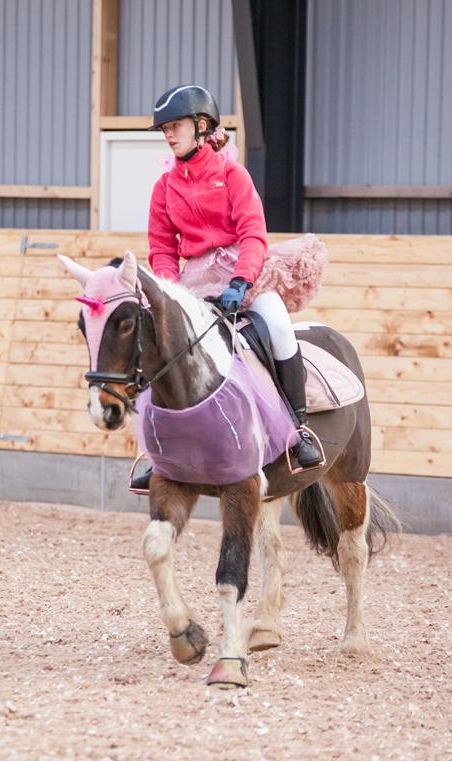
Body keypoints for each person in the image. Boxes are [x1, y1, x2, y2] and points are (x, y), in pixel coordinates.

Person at [131, 84, 326, 491]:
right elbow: (162, 248)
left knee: (276, 324)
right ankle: (154, 451)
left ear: (202, 126)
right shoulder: (164, 188)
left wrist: (242, 280)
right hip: (193, 282)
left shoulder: (232, 175)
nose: (169, 134)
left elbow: (254, 233)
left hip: (242, 270)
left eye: (176, 125)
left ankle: (299, 428)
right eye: (165, 128)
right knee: (156, 342)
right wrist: (167, 293)